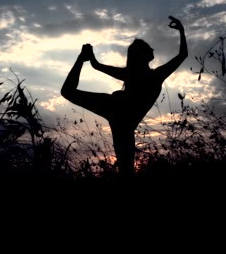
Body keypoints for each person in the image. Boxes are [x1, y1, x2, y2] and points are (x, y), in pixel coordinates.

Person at [61, 16, 188, 176]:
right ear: (141, 55)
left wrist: (86, 56)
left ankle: (80, 58)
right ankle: (80, 58)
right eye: (149, 48)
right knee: (126, 168)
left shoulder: (134, 74)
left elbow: (96, 65)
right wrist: (181, 31)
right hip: (118, 111)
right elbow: (182, 55)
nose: (153, 50)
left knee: (126, 167)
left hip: (118, 113)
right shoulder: (151, 75)